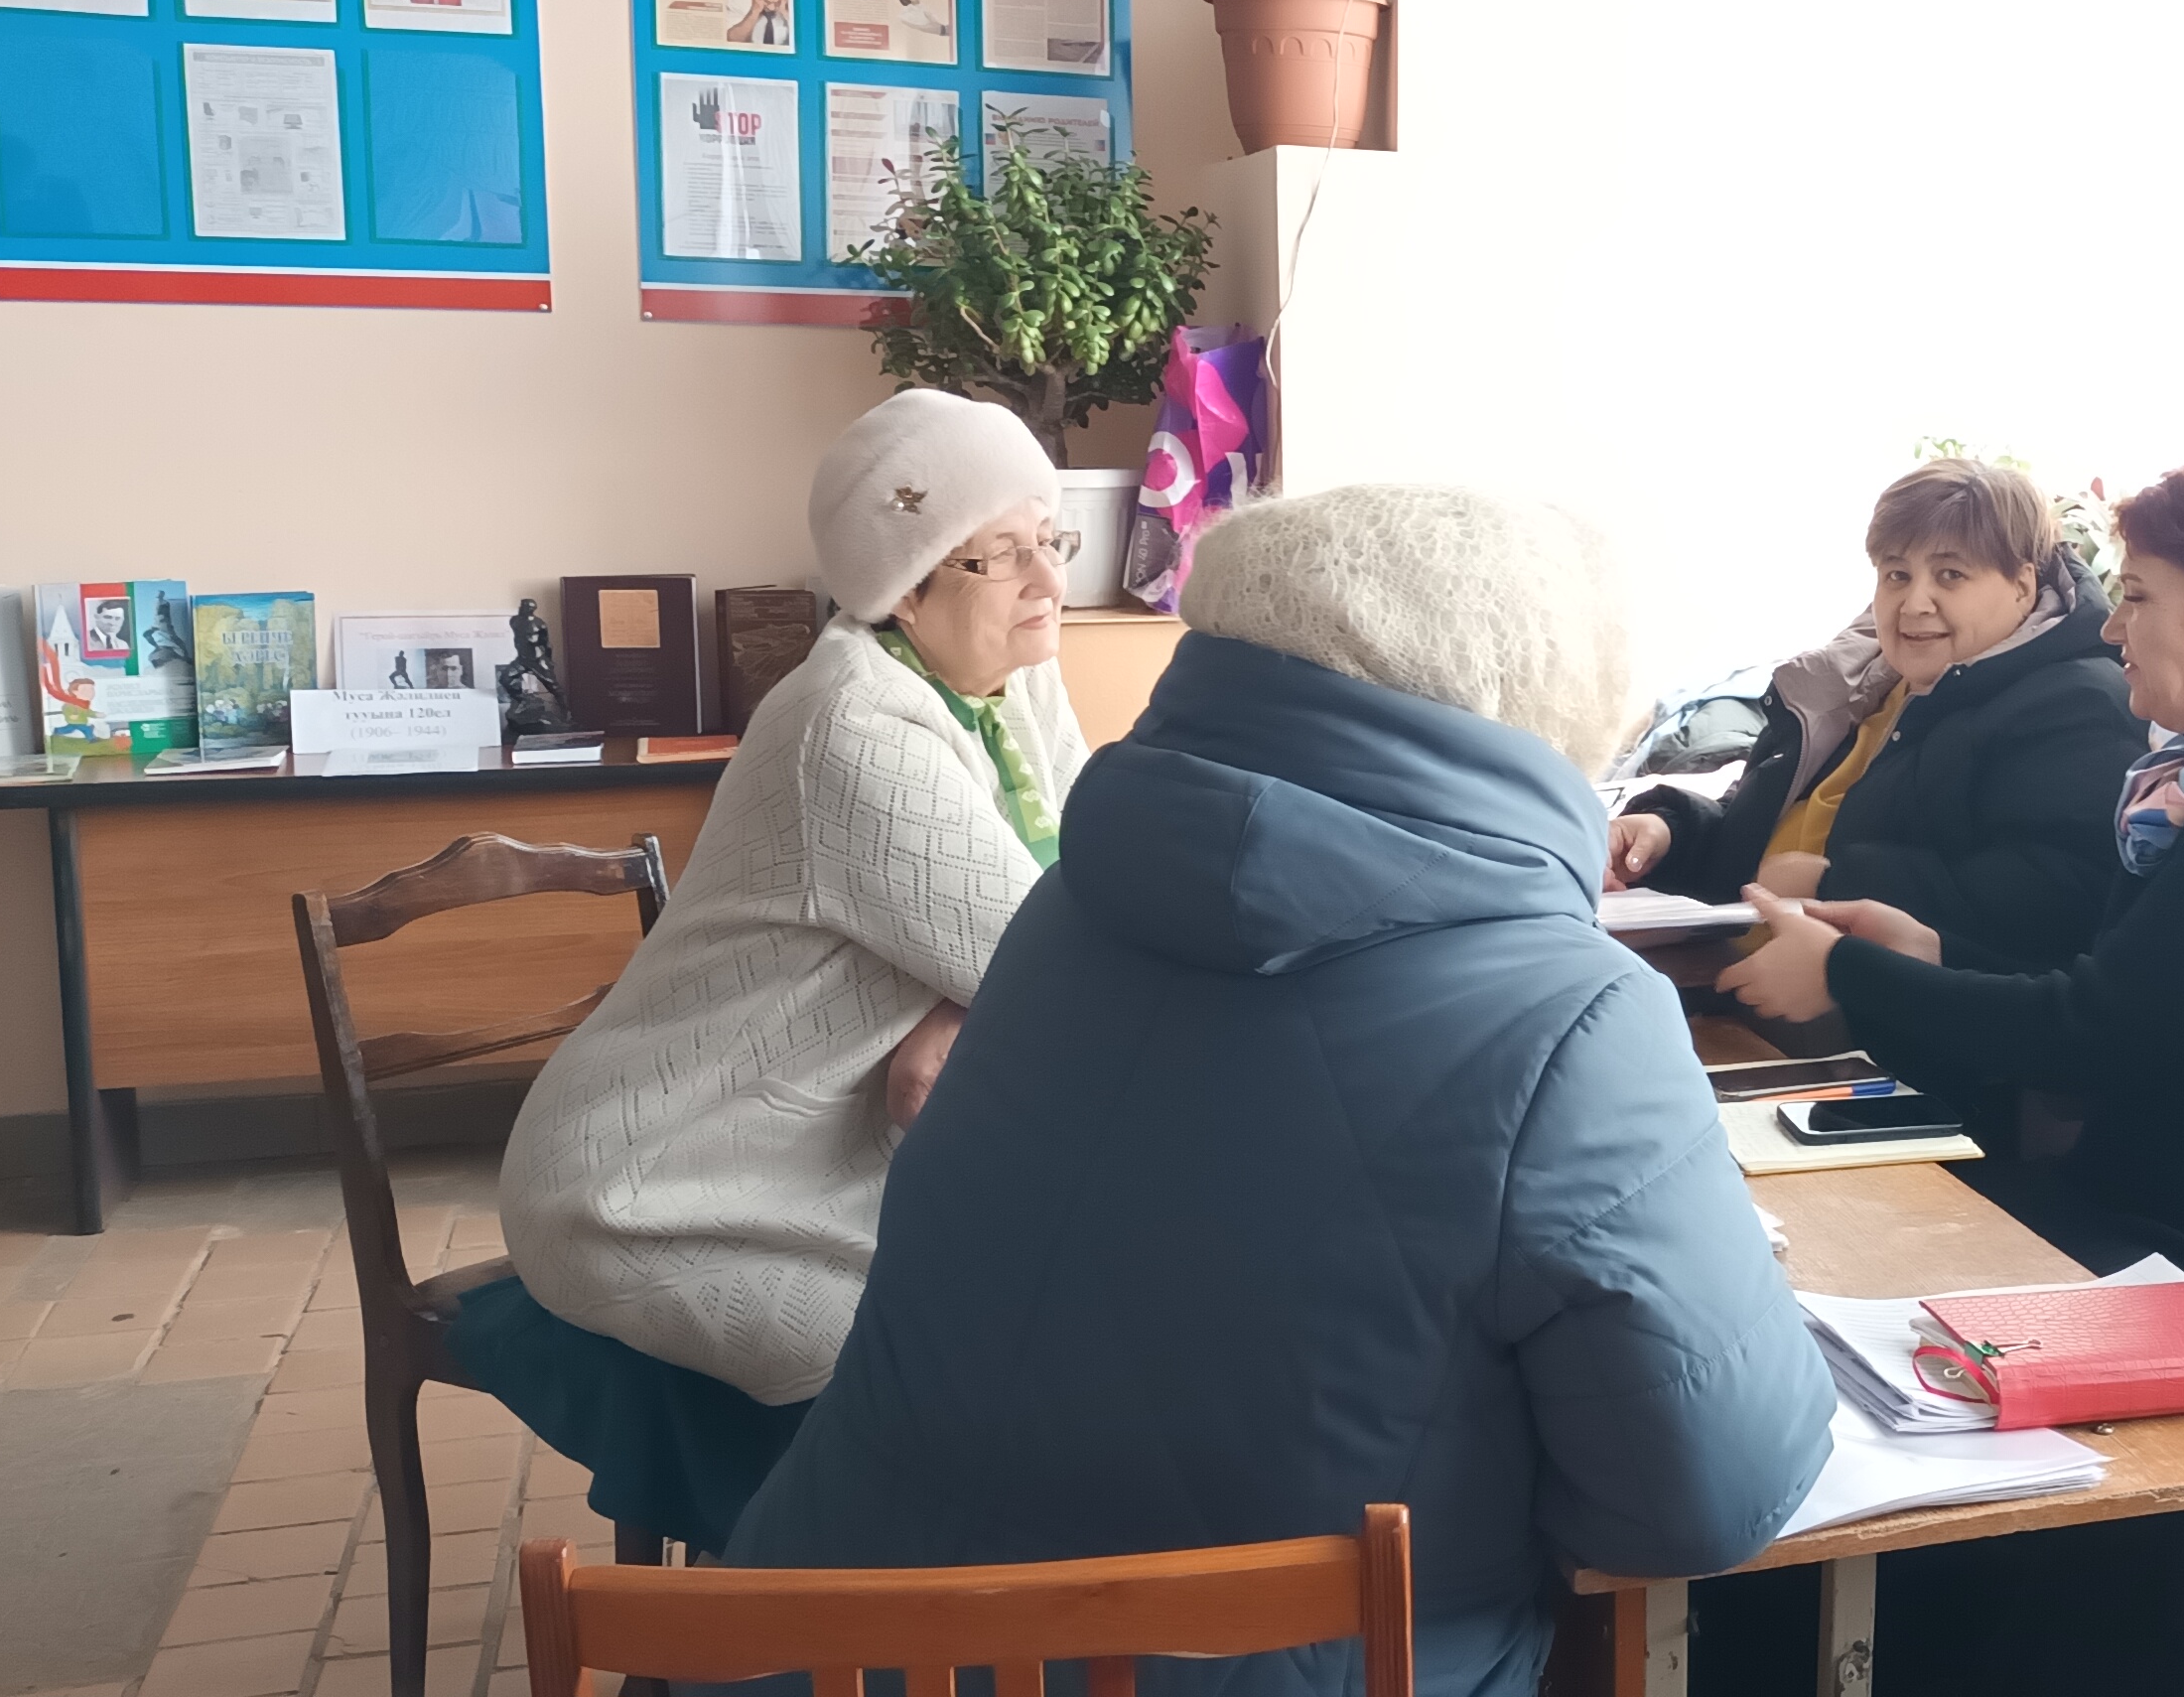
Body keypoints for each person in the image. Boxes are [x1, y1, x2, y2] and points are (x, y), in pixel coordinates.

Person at [731, 484, 1834, 1697]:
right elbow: (1700, 1506)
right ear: (1554, 709)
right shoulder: (1574, 1017)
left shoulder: (1072, 906)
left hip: (833, 1649)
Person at [469, 388, 1087, 1549]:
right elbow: (1056, 966)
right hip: (653, 1183)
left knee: (1030, 1312)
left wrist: (949, 1009)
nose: (1047, 580)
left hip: (817, 1164)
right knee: (929, 1364)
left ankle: (876, 1603)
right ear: (904, 587)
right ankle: (795, 1617)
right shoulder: (849, 722)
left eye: (1051, 538)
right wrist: (974, 995)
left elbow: (1083, 876)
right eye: (999, 555)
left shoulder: (1009, 680)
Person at [1716, 439, 2184, 1309]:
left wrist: (1848, 971)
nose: (2113, 627)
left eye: (2139, 597)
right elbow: (2128, 992)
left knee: (1806, 1264)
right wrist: (1930, 951)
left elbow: (2097, 1037)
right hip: (2136, 1195)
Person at [1608, 458, 2139, 973]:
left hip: (1863, 1013)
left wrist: (1835, 883)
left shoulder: (2077, 704)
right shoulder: (1867, 684)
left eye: (1951, 575)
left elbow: (2063, 897)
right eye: (1897, 574)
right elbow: (1768, 830)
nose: (1915, 603)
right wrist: (1668, 834)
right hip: (1729, 971)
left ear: (2022, 585)